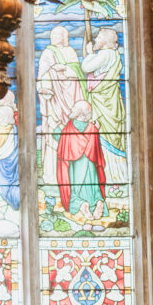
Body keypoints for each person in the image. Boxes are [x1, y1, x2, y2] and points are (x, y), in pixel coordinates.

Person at [37, 26, 85, 185]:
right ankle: (52, 175)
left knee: (73, 133)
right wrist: (46, 85)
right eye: (54, 34)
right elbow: (41, 77)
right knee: (53, 134)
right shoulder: (47, 53)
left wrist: (65, 68)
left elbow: (78, 71)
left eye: (60, 35)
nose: (56, 37)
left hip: (72, 98)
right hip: (54, 102)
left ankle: (76, 175)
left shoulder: (70, 51)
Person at [80, 28, 128, 185]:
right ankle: (115, 179)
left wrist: (89, 53)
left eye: (98, 37)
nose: (95, 39)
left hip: (104, 103)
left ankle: (113, 178)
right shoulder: (112, 54)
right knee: (109, 137)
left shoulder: (106, 54)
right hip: (109, 101)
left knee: (104, 137)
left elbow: (86, 68)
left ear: (106, 42)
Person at [56, 99, 109, 221]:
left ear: (79, 113)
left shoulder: (68, 129)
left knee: (75, 190)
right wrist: (97, 128)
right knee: (94, 187)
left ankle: (81, 204)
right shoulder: (92, 128)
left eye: (74, 108)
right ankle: (98, 202)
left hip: (75, 168)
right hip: (91, 167)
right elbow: (96, 151)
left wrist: (56, 128)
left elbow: (61, 143)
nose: (71, 110)